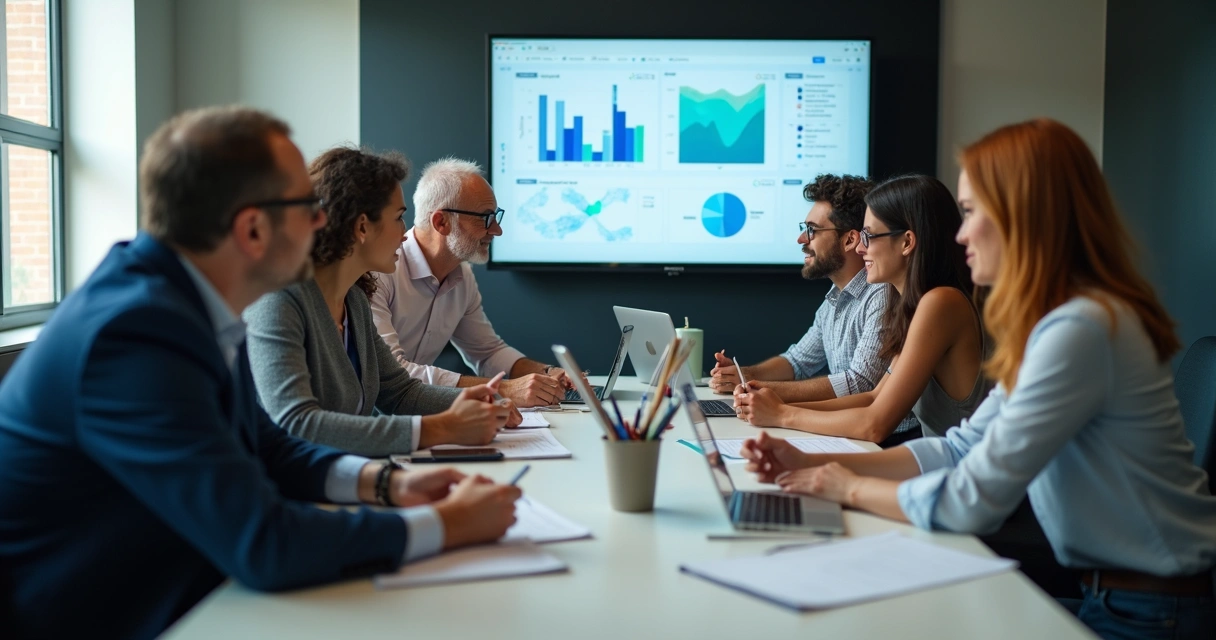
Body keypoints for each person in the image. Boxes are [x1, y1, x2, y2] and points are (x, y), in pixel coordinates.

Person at [0, 107, 521, 640]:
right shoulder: (134, 334)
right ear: (252, 229)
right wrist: (446, 524)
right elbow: (263, 542)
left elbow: (267, 444)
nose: (322, 221)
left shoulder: (180, 303)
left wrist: (386, 482)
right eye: (306, 207)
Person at [740, 119, 1216, 639]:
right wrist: (811, 462)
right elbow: (961, 447)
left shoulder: (1081, 329)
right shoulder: (1056, 323)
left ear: (1022, 214)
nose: (961, 233)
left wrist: (846, 486)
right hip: (1121, 598)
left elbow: (973, 499)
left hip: (1149, 613)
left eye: (971, 213)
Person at [246, 146, 520, 457]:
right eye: (399, 218)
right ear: (362, 227)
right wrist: (442, 428)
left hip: (348, 472)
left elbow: (400, 393)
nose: (405, 233)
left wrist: (481, 401)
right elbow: (298, 424)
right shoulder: (278, 301)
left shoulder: (354, 301)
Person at [735, 175, 989, 442]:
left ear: (906, 242)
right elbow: (873, 398)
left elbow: (875, 424)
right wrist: (777, 407)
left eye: (868, 235)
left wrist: (782, 415)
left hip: (963, 466)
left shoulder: (940, 303)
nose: (859, 247)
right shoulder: (912, 306)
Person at [707, 174, 920, 445]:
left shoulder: (883, 294)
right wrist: (745, 375)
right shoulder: (834, 300)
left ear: (849, 240)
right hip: (852, 434)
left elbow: (860, 384)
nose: (801, 239)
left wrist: (767, 395)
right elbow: (797, 361)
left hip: (890, 440)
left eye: (812, 230)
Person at [369, 157, 574, 408]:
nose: (497, 230)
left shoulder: (462, 275)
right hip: (374, 418)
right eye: (485, 218)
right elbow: (394, 373)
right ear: (441, 222)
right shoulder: (378, 272)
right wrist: (503, 389)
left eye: (496, 217)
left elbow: (488, 353)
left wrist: (548, 373)